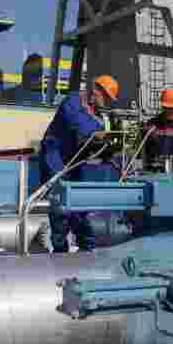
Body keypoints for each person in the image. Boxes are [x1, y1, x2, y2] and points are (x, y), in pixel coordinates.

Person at [39, 74, 120, 252]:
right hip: (55, 156)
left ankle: (86, 247)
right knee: (60, 203)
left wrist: (108, 152)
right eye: (105, 98)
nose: (107, 103)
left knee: (81, 204)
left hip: (75, 160)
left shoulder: (98, 118)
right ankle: (60, 248)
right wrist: (102, 137)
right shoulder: (73, 101)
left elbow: (94, 144)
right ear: (95, 91)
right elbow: (80, 128)